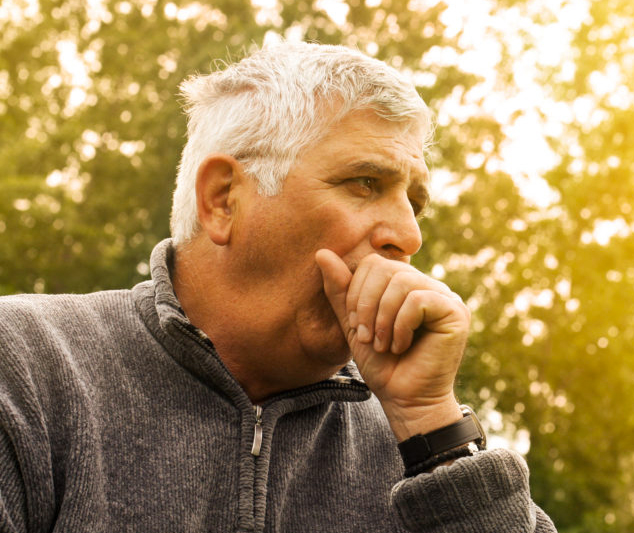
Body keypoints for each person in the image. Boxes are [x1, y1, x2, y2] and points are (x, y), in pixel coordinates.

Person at [0, 39, 557, 532]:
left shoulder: (411, 440)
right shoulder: (27, 365)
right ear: (222, 199)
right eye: (365, 183)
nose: (408, 235)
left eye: (413, 203)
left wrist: (432, 427)